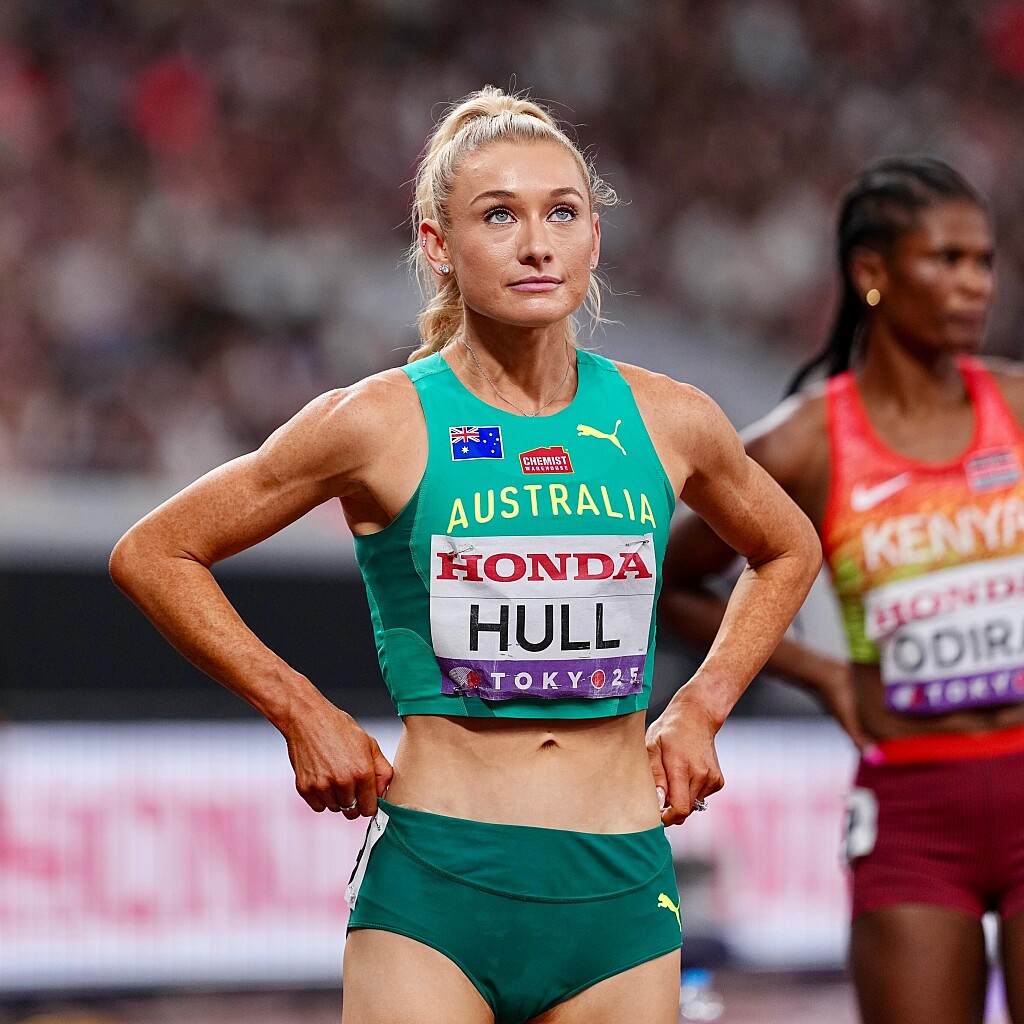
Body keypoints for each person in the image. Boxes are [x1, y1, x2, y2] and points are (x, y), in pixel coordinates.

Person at [109, 87, 820, 1024]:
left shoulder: (669, 418)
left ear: (594, 237)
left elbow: (788, 546)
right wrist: (299, 710)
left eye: (561, 213)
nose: (537, 244)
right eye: (499, 216)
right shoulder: (378, 421)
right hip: (437, 887)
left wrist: (703, 705)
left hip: (619, 885)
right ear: (438, 245)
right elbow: (155, 551)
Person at [660, 156, 1024, 1024]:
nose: (975, 283)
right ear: (871, 272)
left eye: (984, 261)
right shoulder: (805, 443)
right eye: (947, 259)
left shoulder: (1018, 407)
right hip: (912, 808)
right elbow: (672, 583)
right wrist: (821, 674)